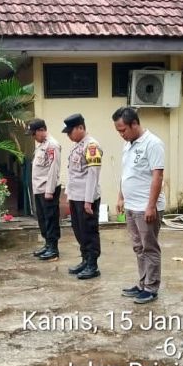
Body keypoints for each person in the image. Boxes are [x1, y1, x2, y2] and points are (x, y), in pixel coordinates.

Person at [112, 106, 166, 304]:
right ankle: (143, 283)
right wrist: (121, 197)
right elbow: (126, 173)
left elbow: (157, 176)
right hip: (131, 205)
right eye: (118, 131)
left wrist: (151, 206)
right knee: (138, 247)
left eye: (123, 130)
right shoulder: (128, 145)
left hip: (146, 207)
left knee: (149, 247)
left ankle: (151, 288)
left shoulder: (153, 143)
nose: (121, 134)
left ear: (134, 123)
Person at [63, 114, 102, 280]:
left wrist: (88, 201)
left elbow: (93, 174)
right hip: (76, 196)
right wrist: (69, 195)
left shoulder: (92, 146)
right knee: (79, 230)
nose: (68, 135)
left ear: (80, 128)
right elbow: (72, 173)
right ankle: (85, 260)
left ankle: (93, 264)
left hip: (87, 198)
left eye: (70, 132)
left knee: (89, 231)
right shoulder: (77, 146)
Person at [26, 118, 62, 261]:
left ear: (41, 130)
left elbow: (54, 169)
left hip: (48, 189)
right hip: (39, 189)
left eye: (33, 134)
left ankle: (53, 248)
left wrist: (49, 190)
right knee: (42, 218)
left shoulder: (52, 145)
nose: (33, 137)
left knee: (51, 218)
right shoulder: (41, 145)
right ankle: (47, 244)